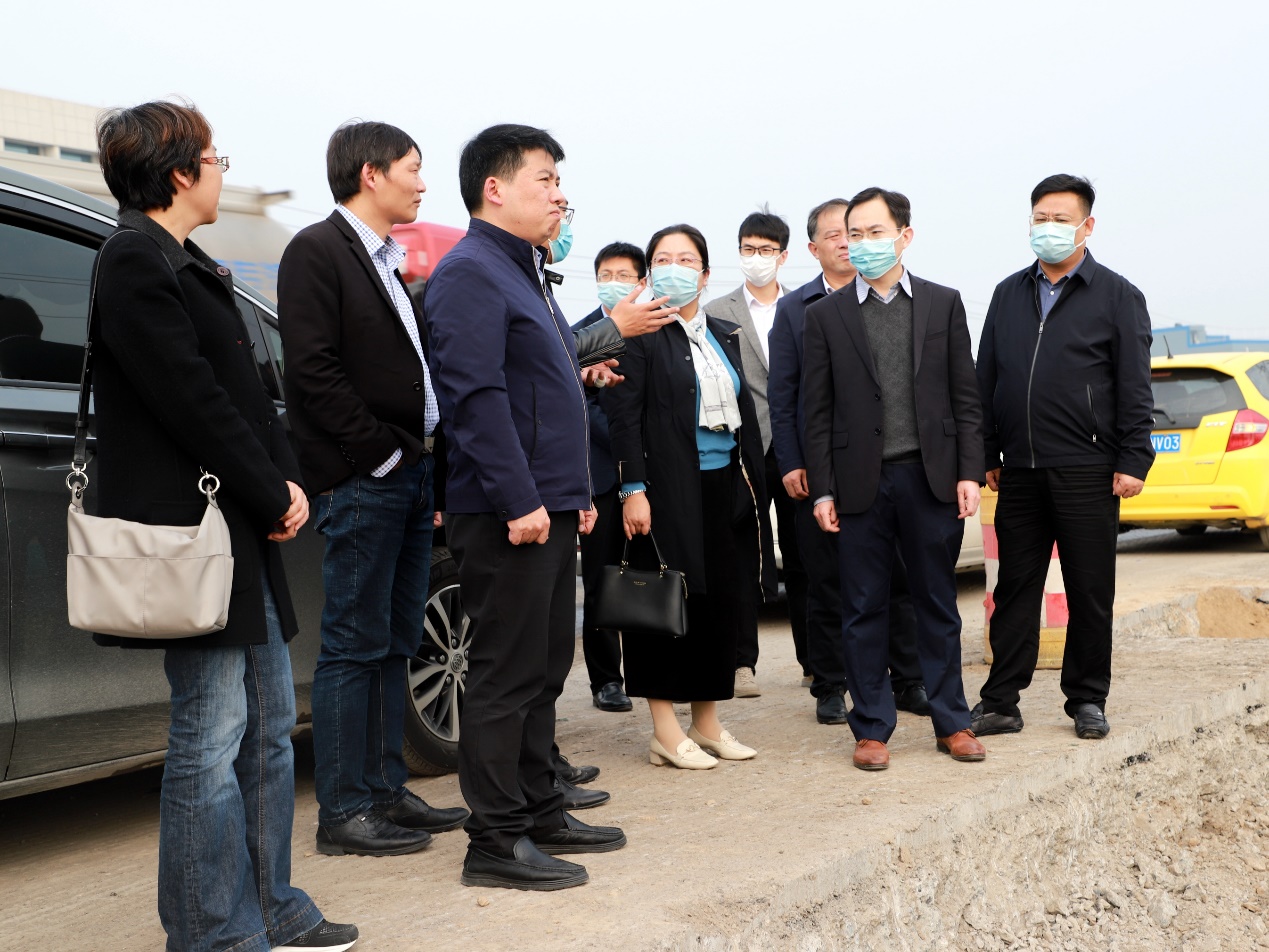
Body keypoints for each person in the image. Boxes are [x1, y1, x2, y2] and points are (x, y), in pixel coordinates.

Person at [91, 100, 356, 952]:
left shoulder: (186, 259)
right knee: (209, 740)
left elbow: (244, 389)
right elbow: (191, 400)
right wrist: (268, 487)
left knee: (267, 733)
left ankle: (270, 905)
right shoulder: (134, 259)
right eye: (214, 159)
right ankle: (210, 931)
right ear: (179, 173)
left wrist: (284, 480)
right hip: (195, 535)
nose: (220, 171)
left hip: (239, 531)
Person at [423, 123, 626, 892]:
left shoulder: (524, 272)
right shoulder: (470, 273)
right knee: (504, 675)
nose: (559, 195)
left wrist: (571, 497)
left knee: (543, 665)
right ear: (494, 188)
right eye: (545, 179)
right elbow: (474, 400)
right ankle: (495, 839)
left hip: (547, 504)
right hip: (506, 510)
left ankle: (542, 807)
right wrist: (520, 499)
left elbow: (542, 390)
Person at [278, 121, 469, 858]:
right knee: (353, 647)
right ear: (370, 173)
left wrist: (419, 463)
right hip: (366, 479)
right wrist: (381, 456)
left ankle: (387, 790)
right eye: (412, 168)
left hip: (410, 476)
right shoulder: (317, 250)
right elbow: (312, 371)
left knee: (396, 643)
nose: (422, 183)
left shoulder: (388, 258)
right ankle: (344, 809)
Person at [803, 187, 986, 771]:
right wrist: (823, 487)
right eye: (853, 234)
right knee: (862, 607)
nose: (862, 244)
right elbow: (816, 410)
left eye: (875, 232)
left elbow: (965, 396)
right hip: (859, 483)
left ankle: (952, 721)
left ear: (904, 236)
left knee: (937, 603)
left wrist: (969, 471)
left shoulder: (942, 304)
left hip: (930, 478)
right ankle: (872, 727)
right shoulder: (824, 316)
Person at [972, 174, 1154, 741]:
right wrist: (985, 450)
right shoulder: (1007, 293)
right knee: (1014, 590)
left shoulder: (1118, 296)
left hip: (1087, 469)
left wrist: (1133, 457)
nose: (1047, 228)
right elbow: (985, 378)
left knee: (1089, 591)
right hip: (1020, 471)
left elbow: (1134, 386)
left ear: (1087, 226)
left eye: (1060, 219)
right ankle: (1001, 701)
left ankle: (1087, 699)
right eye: (1040, 219)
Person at [603, 223, 775, 771]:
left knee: (718, 603)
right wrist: (633, 489)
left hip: (724, 484)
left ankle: (706, 723)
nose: (673, 269)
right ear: (650, 274)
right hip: (665, 488)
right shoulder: (640, 335)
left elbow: (745, 413)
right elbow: (623, 419)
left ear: (704, 275)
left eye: (685, 260)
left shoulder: (723, 333)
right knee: (662, 602)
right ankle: (664, 729)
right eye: (662, 260)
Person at [767, 199, 930, 727]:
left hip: (887, 464)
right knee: (826, 581)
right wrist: (793, 461)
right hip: (822, 466)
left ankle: (908, 679)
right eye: (835, 235)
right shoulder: (797, 310)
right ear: (813, 247)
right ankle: (830, 683)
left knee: (898, 579)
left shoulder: (896, 300)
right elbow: (785, 395)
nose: (847, 242)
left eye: (854, 232)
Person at [704, 206, 803, 698]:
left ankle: (816, 663)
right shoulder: (717, 312)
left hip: (795, 448)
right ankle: (743, 662)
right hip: (744, 449)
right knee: (742, 555)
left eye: (766, 250)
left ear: (783, 256)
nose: (756, 257)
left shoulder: (803, 308)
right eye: (748, 249)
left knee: (804, 556)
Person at [571, 242, 649, 715]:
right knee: (602, 579)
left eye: (624, 275)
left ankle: (650, 672)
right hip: (599, 476)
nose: (614, 282)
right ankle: (606, 679)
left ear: (642, 282)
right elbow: (582, 409)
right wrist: (631, 443)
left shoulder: (654, 332)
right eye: (606, 274)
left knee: (648, 577)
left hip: (648, 478)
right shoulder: (578, 337)